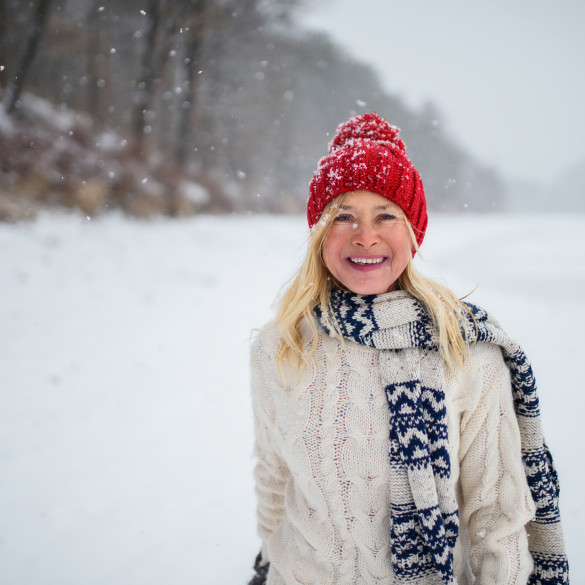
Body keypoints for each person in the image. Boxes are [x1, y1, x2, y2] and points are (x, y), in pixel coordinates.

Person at [248, 112, 568, 585]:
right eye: (344, 218)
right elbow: (274, 483)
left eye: (385, 216)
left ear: (412, 232)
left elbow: (496, 523)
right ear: (319, 235)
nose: (365, 236)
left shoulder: (464, 354)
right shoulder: (281, 347)